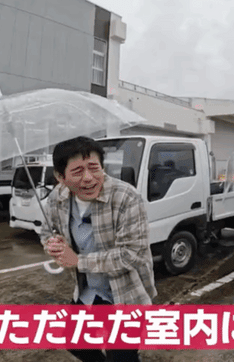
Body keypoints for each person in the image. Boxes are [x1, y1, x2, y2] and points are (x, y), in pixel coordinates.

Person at [39, 136, 157, 362]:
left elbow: (131, 254)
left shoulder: (126, 197)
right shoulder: (57, 198)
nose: (88, 178)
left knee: (121, 357)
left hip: (125, 293)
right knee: (75, 343)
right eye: (77, 171)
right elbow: (46, 232)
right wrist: (52, 244)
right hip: (88, 290)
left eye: (94, 168)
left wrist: (78, 261)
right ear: (60, 177)